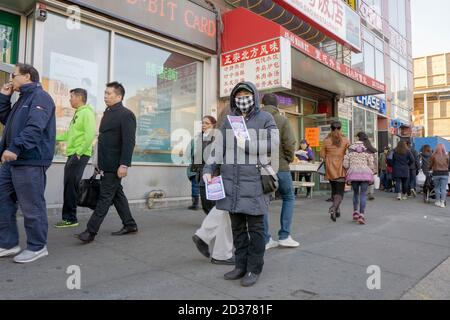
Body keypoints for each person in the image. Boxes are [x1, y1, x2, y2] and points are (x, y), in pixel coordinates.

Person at [203, 82, 279, 287]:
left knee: (255, 230)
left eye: (246, 94)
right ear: (234, 98)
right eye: (239, 95)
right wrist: (208, 170)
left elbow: (274, 142)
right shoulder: (229, 121)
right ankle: (240, 265)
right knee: (237, 228)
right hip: (230, 182)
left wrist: (249, 145)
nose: (242, 98)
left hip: (254, 181)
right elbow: (218, 149)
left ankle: (254, 269)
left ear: (254, 96)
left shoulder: (265, 118)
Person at [0, 63, 56, 263]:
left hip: (30, 160)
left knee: (31, 205)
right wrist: (4, 99)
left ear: (26, 76)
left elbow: (35, 127)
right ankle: (8, 243)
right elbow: (8, 122)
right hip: (12, 161)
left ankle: (37, 246)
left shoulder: (40, 97)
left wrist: (15, 147)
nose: (11, 79)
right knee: (3, 200)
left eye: (13, 75)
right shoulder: (22, 99)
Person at [77, 82, 138, 243]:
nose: (105, 96)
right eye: (105, 93)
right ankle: (130, 224)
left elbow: (129, 142)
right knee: (117, 195)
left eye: (109, 93)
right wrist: (98, 164)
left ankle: (90, 231)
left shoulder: (126, 114)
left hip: (115, 165)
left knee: (105, 198)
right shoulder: (107, 112)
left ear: (119, 96)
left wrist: (124, 164)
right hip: (105, 164)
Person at [54, 88, 96, 228]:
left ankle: (70, 218)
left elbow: (90, 134)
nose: (70, 99)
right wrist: (51, 137)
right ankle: (69, 217)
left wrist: (79, 152)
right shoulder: (78, 114)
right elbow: (68, 135)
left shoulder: (87, 113)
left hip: (79, 154)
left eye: (71, 97)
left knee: (70, 186)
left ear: (79, 97)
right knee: (69, 185)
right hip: (73, 154)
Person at [261, 93, 298, 250]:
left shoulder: (256, 120)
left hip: (262, 167)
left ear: (262, 105)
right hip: (280, 166)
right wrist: (288, 159)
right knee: (288, 197)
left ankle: (265, 239)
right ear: (277, 105)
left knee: (263, 202)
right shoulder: (282, 120)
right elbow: (289, 143)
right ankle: (284, 236)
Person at [320, 121, 350, 222]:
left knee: (333, 189)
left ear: (330, 128)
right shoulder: (345, 140)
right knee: (340, 192)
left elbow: (322, 155)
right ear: (340, 129)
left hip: (329, 166)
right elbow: (348, 153)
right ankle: (333, 207)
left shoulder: (326, 140)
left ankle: (337, 210)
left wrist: (329, 157)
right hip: (341, 166)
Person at [187, 116, 217, 213]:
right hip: (200, 173)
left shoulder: (217, 138)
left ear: (213, 125)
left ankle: (214, 224)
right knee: (205, 203)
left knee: (212, 203)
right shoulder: (199, 138)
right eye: (203, 123)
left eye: (207, 123)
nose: (204, 125)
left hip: (213, 174)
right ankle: (212, 221)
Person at [343, 133, 375, 225]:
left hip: (354, 174)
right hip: (365, 174)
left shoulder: (350, 151)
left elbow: (345, 165)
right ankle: (362, 215)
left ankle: (355, 212)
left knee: (356, 193)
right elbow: (371, 165)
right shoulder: (367, 151)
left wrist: (352, 165)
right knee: (363, 194)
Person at [356, 132, 377, 200]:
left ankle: (363, 192)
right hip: (369, 165)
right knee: (370, 179)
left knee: (361, 178)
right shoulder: (369, 144)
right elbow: (373, 154)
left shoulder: (359, 145)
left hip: (361, 165)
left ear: (359, 137)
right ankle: (371, 193)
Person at [429, 144, 449, 208]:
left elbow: (430, 165)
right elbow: (448, 164)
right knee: (443, 189)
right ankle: (443, 202)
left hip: (436, 173)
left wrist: (429, 169)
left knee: (437, 188)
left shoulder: (433, 156)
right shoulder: (447, 156)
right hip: (445, 173)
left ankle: (438, 201)